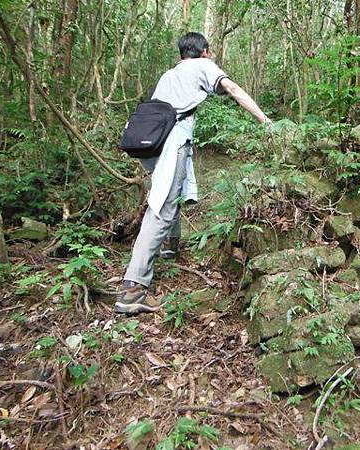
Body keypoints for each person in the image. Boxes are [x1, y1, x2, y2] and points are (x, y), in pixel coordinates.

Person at [115, 32, 271, 314]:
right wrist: (264, 119)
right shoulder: (202, 66)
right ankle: (132, 289)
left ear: (180, 53)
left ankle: (170, 247)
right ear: (205, 52)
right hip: (172, 142)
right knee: (161, 207)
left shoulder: (169, 74)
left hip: (151, 145)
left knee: (170, 194)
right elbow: (233, 90)